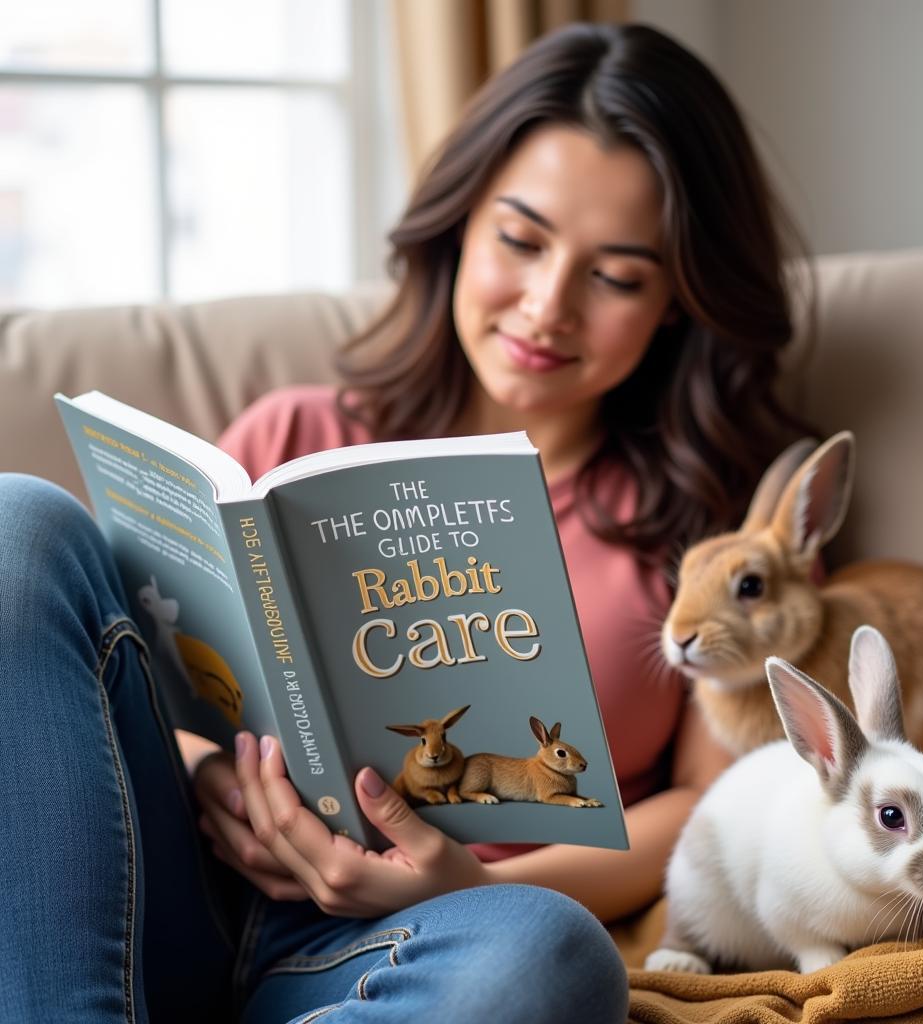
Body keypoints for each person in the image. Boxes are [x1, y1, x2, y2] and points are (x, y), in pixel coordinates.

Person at [0, 21, 810, 1024]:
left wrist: (469, 888)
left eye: (616, 275)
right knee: (17, 521)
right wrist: (208, 771)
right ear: (460, 223)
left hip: (429, 941)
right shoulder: (291, 431)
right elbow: (138, 688)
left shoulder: (706, 534)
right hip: (172, 893)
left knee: (555, 958)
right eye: (520, 239)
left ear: (679, 299)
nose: (547, 304)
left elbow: (707, 808)